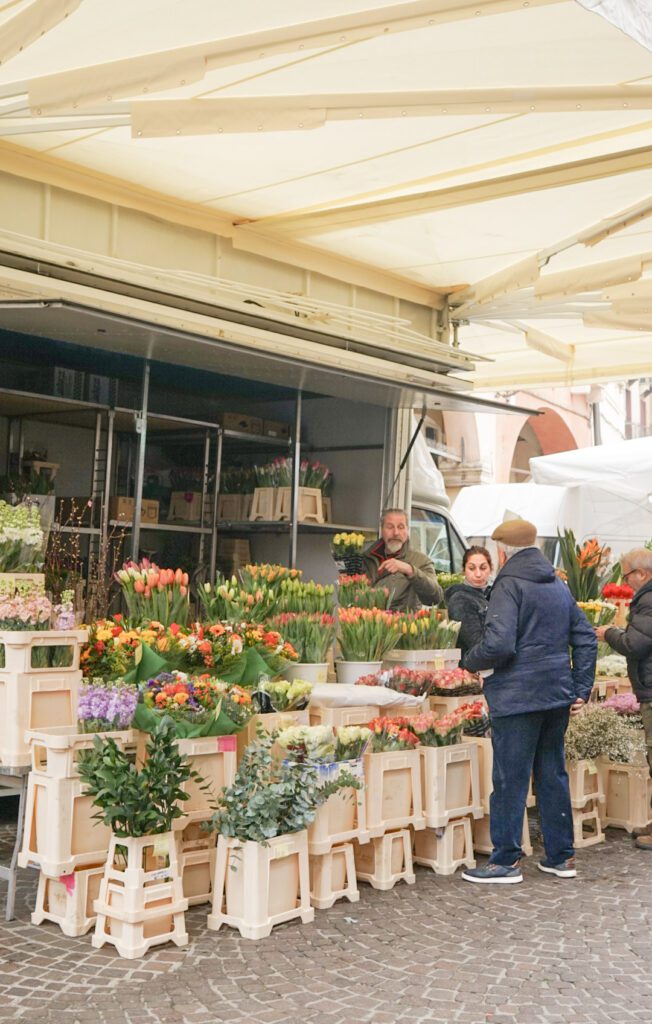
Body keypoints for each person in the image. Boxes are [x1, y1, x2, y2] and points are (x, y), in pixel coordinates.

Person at [460, 518, 597, 885]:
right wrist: (580, 687)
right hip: (555, 694)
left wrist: (469, 661)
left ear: (503, 550)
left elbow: (500, 644)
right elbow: (586, 637)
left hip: (517, 696)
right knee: (552, 774)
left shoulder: (509, 584)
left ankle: (505, 860)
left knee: (509, 778)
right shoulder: (557, 584)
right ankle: (560, 857)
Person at [596, 547, 652, 851]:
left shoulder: (648, 601)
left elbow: (636, 643)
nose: (625, 581)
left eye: (627, 574)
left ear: (641, 574)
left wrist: (610, 634)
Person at [362, 508, 442, 612]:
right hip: (368, 624)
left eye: (401, 527)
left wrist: (410, 570)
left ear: (407, 530)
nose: (395, 532)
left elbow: (435, 597)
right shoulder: (367, 558)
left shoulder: (421, 561)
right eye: (390, 527)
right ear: (382, 529)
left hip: (402, 625)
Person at [445, 546, 493, 660]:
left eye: (483, 568)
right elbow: (475, 642)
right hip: (471, 668)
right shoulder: (460, 600)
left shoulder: (494, 594)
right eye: (472, 568)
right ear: (463, 570)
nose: (478, 574)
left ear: (490, 569)